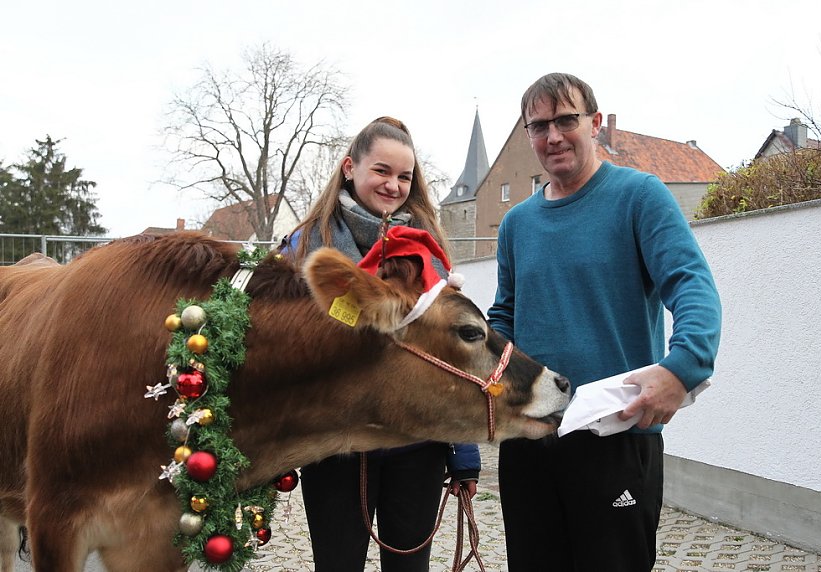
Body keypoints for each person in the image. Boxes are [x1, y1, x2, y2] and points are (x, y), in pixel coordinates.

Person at [487, 73, 722, 571]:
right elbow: (504, 316)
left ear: (594, 123)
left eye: (566, 120)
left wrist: (682, 369)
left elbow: (691, 284)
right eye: (539, 126)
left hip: (613, 436)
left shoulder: (640, 196)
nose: (553, 137)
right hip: (529, 438)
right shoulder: (516, 224)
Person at [282, 116, 481, 572]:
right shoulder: (304, 245)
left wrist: (463, 452)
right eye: (382, 171)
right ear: (350, 167)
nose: (394, 185)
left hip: (417, 446)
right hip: (335, 447)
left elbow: (454, 357)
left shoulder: (429, 251)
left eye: (405, 176)